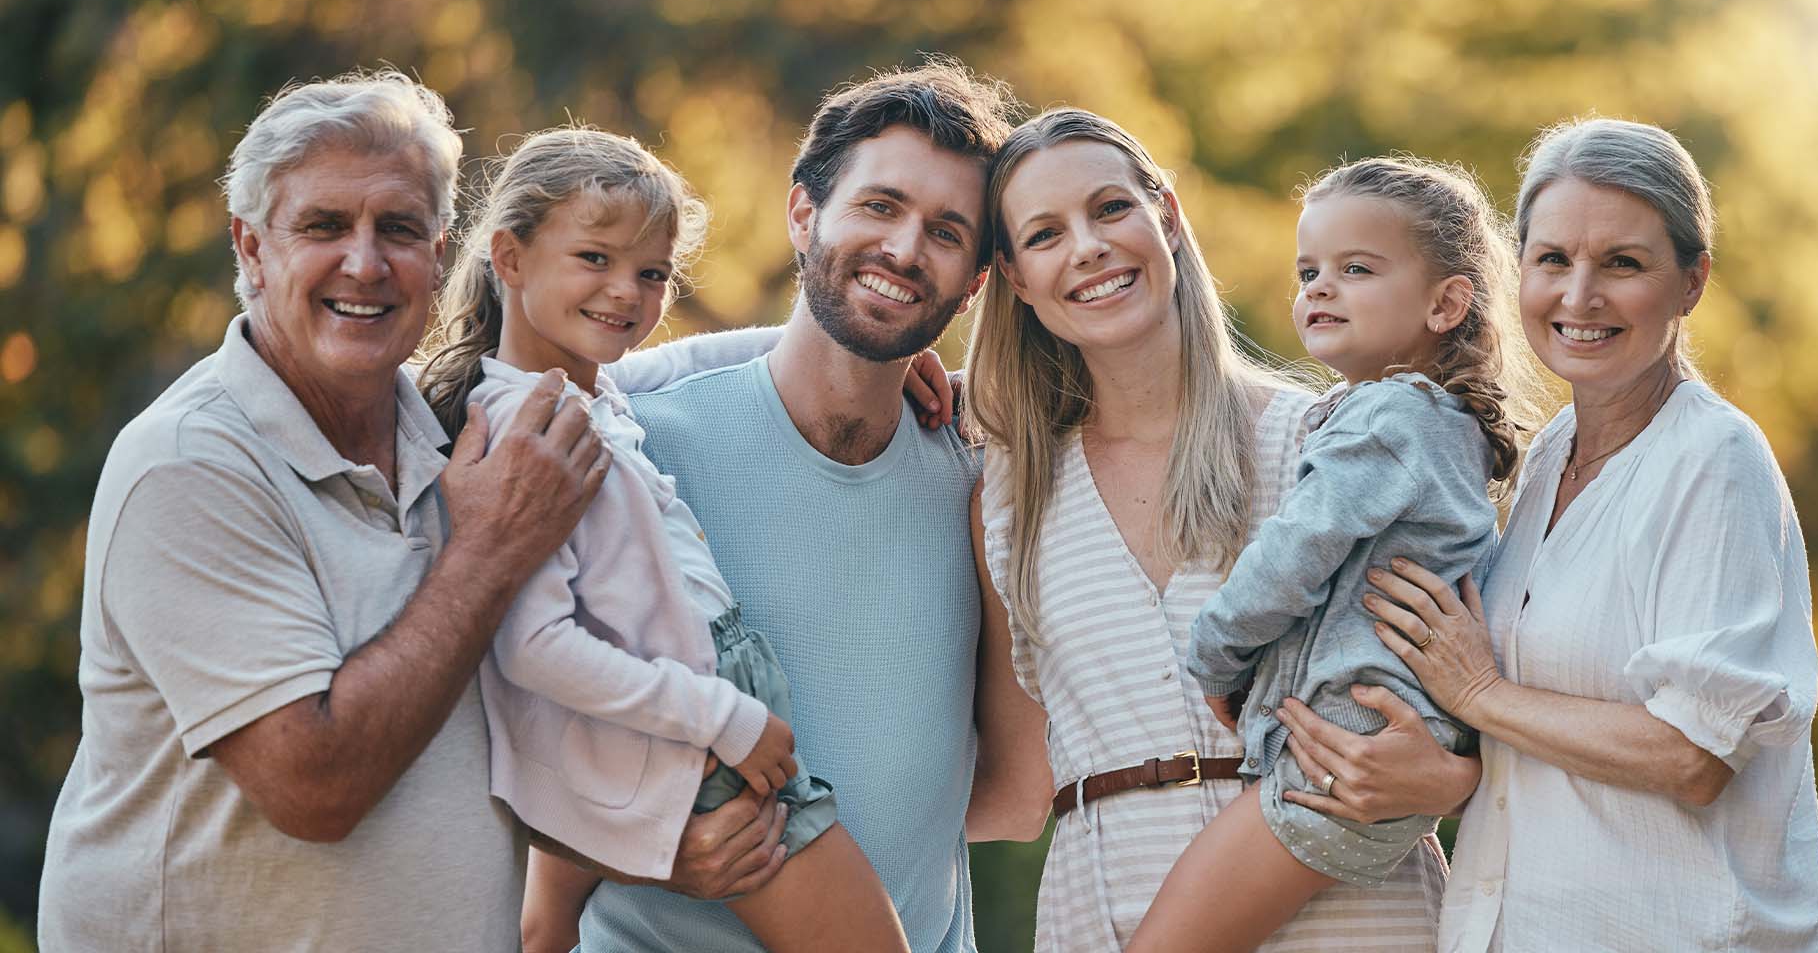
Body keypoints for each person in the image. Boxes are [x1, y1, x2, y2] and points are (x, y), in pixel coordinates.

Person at [37, 70, 612, 950]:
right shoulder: (190, 466)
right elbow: (315, 785)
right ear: (251, 248)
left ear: (440, 250)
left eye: (400, 229)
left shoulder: (458, 434)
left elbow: (641, 388)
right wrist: (490, 550)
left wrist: (888, 368)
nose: (365, 263)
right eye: (323, 226)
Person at [966, 109, 1483, 952]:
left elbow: (1461, 687)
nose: (1089, 247)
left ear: (1166, 215)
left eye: (1109, 209)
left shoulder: (1330, 442)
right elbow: (1016, 788)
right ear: (1015, 279)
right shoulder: (1008, 495)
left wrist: (1456, 782)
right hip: (1106, 914)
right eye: (1044, 234)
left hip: (1356, 919)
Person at [576, 59, 1053, 952]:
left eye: (947, 232)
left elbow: (1018, 796)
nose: (907, 250)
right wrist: (654, 849)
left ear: (977, 280)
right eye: (880, 207)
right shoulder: (640, 447)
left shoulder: (982, 480)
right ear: (804, 214)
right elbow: (511, 739)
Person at [412, 126, 910, 953]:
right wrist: (723, 718)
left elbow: (685, 367)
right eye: (595, 259)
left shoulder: (585, 392)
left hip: (686, 697)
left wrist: (891, 358)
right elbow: (533, 647)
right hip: (692, 723)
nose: (626, 293)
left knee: (547, 930)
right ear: (510, 256)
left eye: (651, 274)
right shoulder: (529, 430)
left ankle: (547, 923)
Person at [1353, 118, 1818, 951]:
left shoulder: (1712, 460)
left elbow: (1693, 755)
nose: (1579, 297)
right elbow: (1563, 758)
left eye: (1622, 263)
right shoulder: (1545, 460)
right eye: (1553, 261)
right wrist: (1453, 776)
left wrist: (1480, 697)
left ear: (1691, 281)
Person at [1126, 156, 1542, 951]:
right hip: (1379, 751)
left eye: (1356, 269)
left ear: (1446, 302)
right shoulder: (1438, 426)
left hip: (1339, 753)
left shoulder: (1390, 420)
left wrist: (1218, 655)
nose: (1319, 287)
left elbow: (1296, 550)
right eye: (1308, 270)